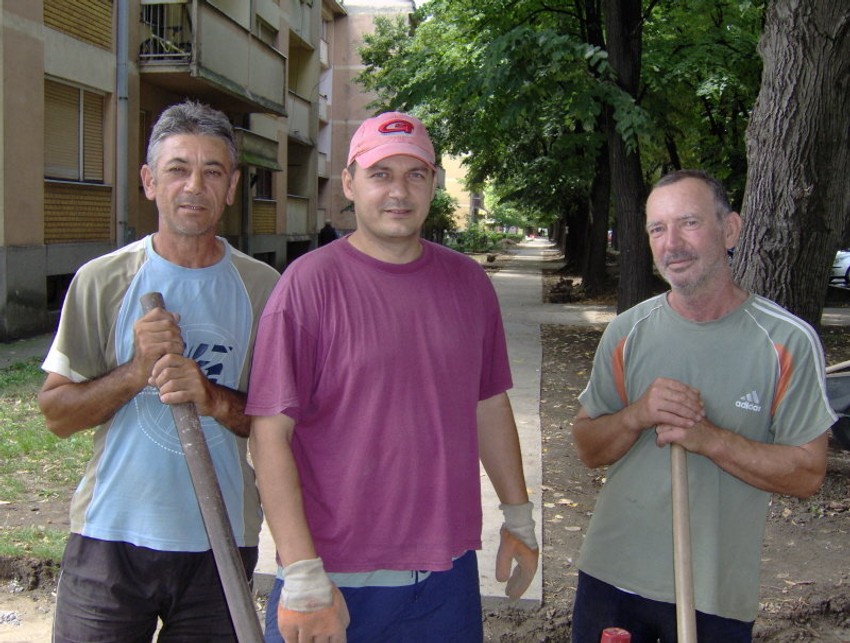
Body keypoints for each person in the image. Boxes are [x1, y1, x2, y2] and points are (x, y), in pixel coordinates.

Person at [246, 111, 539, 642]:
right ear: (351, 184)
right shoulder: (306, 287)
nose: (398, 191)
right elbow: (269, 438)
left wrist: (518, 517)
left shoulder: (468, 284)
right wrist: (304, 576)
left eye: (415, 174)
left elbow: (488, 406)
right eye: (381, 174)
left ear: (433, 185)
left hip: (446, 577)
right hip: (335, 579)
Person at [37, 100, 280, 642]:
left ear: (233, 186)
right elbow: (56, 415)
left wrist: (213, 398)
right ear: (149, 181)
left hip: (219, 546)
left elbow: (280, 421)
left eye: (212, 171)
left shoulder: (265, 289)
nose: (194, 186)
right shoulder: (102, 281)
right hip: (110, 539)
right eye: (178, 169)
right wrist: (136, 371)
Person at [570, 170, 836, 642]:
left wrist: (710, 439)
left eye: (688, 222)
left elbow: (807, 473)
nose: (672, 242)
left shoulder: (786, 342)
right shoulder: (627, 332)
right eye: (657, 228)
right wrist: (636, 415)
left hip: (715, 595)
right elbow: (589, 448)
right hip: (611, 578)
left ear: (730, 230)